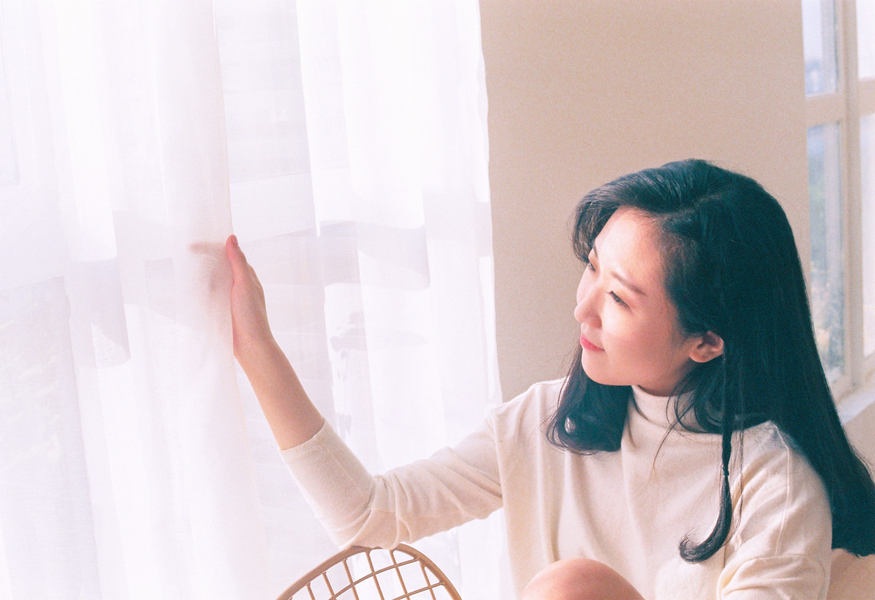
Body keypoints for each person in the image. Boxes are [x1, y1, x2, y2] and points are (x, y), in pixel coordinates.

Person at [225, 159, 875, 599]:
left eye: (618, 298)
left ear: (706, 341)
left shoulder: (777, 489)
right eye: (591, 266)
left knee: (572, 587)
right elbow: (370, 516)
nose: (582, 307)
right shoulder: (544, 423)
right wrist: (256, 349)